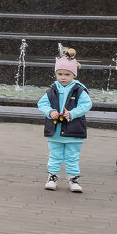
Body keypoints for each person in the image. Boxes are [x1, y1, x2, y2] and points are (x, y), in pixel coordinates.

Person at [37, 48, 92, 193]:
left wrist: (73, 113)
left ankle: (73, 179)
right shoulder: (52, 90)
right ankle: (52, 176)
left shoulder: (79, 90)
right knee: (55, 155)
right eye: (60, 74)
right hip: (55, 131)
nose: (63, 77)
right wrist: (50, 112)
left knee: (72, 156)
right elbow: (42, 103)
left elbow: (86, 105)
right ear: (55, 74)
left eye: (67, 74)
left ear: (74, 74)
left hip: (74, 130)